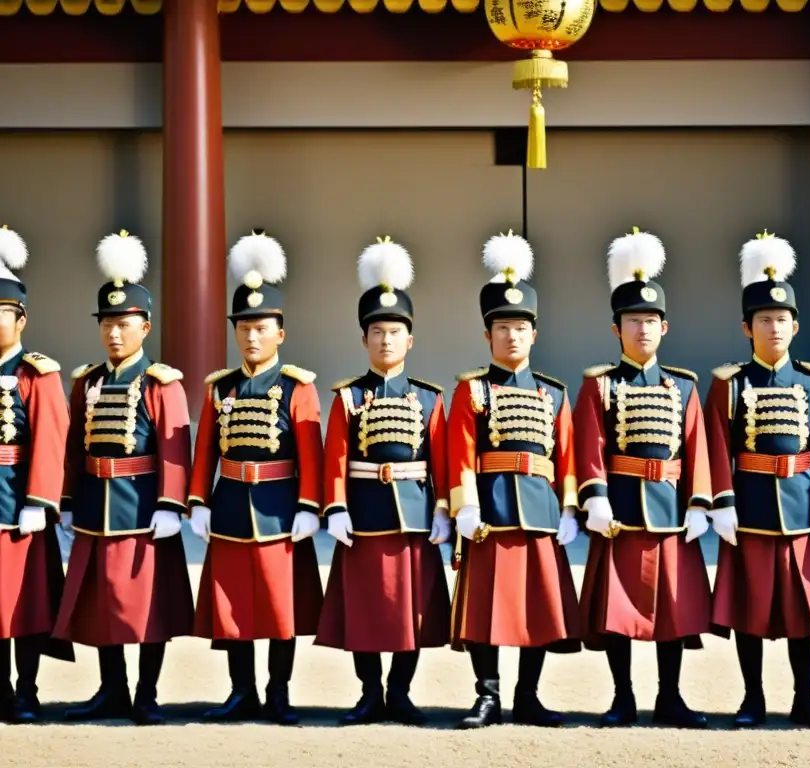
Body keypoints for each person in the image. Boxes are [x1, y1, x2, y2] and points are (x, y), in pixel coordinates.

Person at [704, 231, 810, 730]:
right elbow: (716, 445)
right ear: (747, 327)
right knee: (752, 610)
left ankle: (806, 698)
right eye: (764, 319)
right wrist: (721, 503)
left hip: (803, 507)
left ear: (795, 325)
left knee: (803, 612)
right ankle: (753, 698)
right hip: (751, 509)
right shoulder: (730, 384)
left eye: (782, 319)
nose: (775, 327)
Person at [574, 227, 713, 729]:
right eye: (633, 320)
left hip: (671, 508)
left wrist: (700, 503)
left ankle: (670, 697)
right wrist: (596, 498)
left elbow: (698, 446)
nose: (643, 329)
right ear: (617, 329)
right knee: (619, 611)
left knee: (671, 612)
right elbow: (589, 445)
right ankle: (623, 697)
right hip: (622, 511)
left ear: (664, 327)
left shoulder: (683, 386)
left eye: (651, 321)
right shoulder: (599, 385)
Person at [56, 230, 194, 726]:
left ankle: (147, 693)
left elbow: (176, 449)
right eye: (107, 323)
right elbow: (74, 447)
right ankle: (110, 688)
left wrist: (170, 504)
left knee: (148, 608)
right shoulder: (86, 381)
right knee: (102, 604)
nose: (114, 333)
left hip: (141, 506)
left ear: (145, 326)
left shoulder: (161, 382)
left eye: (124, 323)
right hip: (96, 504)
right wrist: (68, 500)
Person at [315, 236, 451, 725]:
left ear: (409, 340)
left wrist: (442, 512)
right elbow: (336, 457)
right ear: (364, 339)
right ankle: (370, 692)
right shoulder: (347, 397)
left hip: (414, 516)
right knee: (367, 614)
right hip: (365, 515)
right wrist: (335, 507)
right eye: (377, 331)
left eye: (394, 332)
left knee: (411, 614)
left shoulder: (431, 399)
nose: (386, 340)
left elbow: (443, 462)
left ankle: (400, 692)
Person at [190, 229, 324, 725]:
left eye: (261, 326)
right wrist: (197, 500)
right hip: (228, 505)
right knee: (233, 607)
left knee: (277, 606)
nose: (250, 335)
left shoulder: (296, 387)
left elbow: (312, 450)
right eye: (243, 326)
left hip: (279, 506)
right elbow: (204, 448)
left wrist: (311, 505)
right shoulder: (219, 388)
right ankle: (241, 691)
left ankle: (279, 692)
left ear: (280, 333)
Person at [448, 231, 581, 729]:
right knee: (484, 610)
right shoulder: (473, 389)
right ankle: (488, 695)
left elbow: (567, 454)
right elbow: (459, 448)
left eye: (520, 326)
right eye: (501, 327)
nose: (511, 336)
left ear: (534, 334)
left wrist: (569, 508)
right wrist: (466, 505)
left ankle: (528, 694)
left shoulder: (553, 393)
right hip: (492, 510)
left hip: (541, 511)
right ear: (487, 336)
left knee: (538, 608)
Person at [0, 225, 73, 724]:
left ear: (20, 318)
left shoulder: (37, 373)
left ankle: (26, 690)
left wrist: (39, 500)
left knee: (25, 609)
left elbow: (52, 438)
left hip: (17, 505)